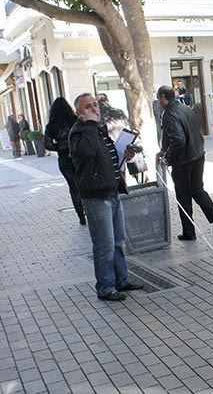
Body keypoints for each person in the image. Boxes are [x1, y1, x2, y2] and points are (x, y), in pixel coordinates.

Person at [68, 93, 144, 301]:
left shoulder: (99, 131)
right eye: (88, 107)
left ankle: (122, 280)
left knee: (118, 241)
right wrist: (91, 125)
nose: (94, 109)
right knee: (105, 244)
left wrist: (124, 155)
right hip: (96, 196)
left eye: (95, 105)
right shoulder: (79, 133)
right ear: (79, 113)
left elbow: (109, 160)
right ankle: (105, 287)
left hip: (112, 191)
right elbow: (88, 152)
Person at [155, 85, 213, 241]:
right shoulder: (184, 108)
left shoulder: (169, 113)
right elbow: (174, 134)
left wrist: (168, 157)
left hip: (184, 160)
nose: (158, 101)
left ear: (162, 97)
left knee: (183, 196)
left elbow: (178, 139)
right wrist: (163, 149)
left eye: (158, 98)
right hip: (197, 154)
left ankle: (189, 232)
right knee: (197, 190)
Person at [45, 97, 86, 225]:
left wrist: (59, 147)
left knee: (73, 188)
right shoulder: (75, 121)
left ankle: (81, 216)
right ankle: (89, 209)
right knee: (85, 183)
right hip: (79, 156)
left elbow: (47, 145)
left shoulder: (51, 126)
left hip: (64, 160)